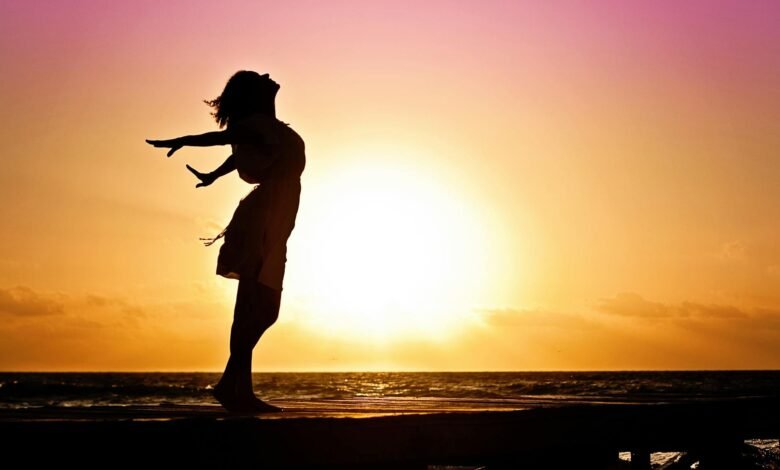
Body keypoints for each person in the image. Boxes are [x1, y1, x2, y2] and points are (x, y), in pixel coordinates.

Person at [146, 70, 306, 413]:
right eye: (259, 77)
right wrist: (184, 140)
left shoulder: (269, 128)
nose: (268, 75)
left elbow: (239, 154)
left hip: (272, 219)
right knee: (258, 306)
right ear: (254, 93)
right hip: (262, 219)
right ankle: (234, 387)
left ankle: (233, 386)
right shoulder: (257, 124)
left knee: (259, 307)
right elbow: (219, 139)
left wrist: (213, 175)